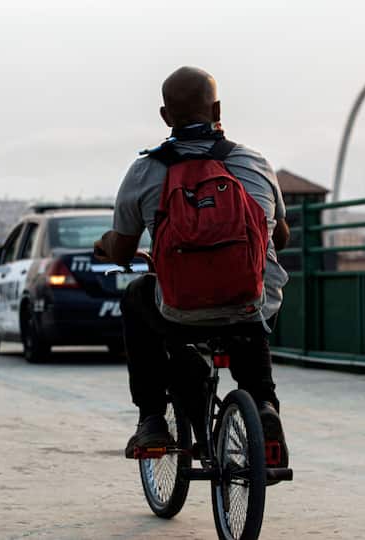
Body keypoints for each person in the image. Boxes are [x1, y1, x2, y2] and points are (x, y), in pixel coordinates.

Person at [94, 66, 291, 467]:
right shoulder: (254, 163)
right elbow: (280, 236)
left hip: (181, 308)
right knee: (250, 316)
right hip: (247, 304)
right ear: (217, 108)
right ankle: (265, 407)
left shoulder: (145, 171)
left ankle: (151, 419)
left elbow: (122, 245)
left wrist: (107, 248)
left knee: (140, 298)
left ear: (166, 116)